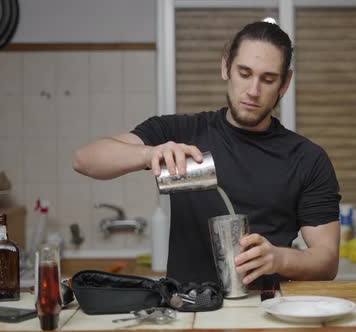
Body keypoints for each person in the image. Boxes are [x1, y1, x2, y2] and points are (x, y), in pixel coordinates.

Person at [73, 21, 341, 286]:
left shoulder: (307, 159)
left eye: (268, 79)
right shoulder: (180, 132)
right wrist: (149, 154)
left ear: (285, 83)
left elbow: (327, 262)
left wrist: (279, 259)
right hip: (188, 309)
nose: (253, 91)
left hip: (266, 313)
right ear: (226, 67)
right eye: (244, 73)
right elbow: (85, 160)